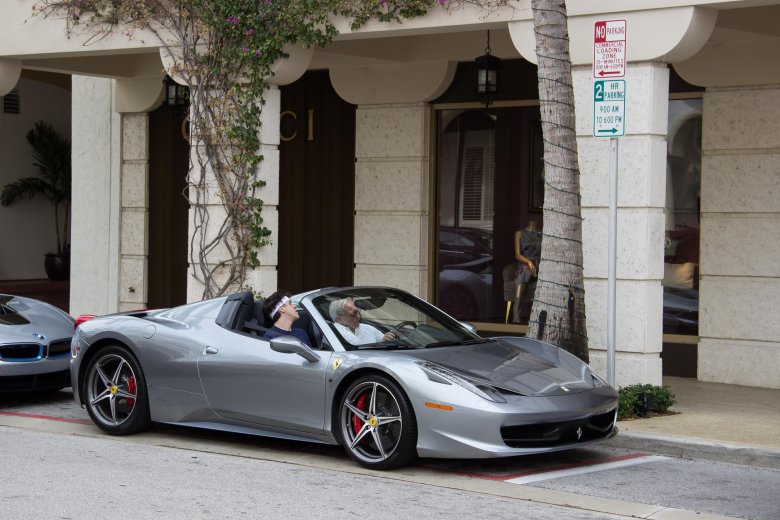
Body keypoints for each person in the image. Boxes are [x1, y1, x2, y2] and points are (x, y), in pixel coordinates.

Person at [510, 220, 542, 323]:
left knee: (528, 271)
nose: (533, 222)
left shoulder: (541, 233)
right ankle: (516, 308)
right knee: (524, 271)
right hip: (524, 263)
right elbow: (517, 255)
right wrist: (528, 262)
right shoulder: (519, 233)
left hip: (538, 264)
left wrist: (536, 264)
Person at [329, 297, 395, 345]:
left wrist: (386, 338)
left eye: (358, 312)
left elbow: (382, 339)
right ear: (339, 319)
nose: (359, 317)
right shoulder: (333, 333)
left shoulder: (366, 328)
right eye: (353, 314)